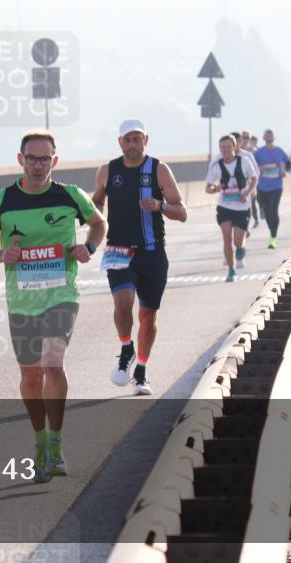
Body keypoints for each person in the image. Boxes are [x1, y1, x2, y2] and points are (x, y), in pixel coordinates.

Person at [0, 130, 107, 483]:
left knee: (52, 363)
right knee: (31, 376)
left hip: (62, 294)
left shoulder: (70, 196)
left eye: (44, 159)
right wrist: (4, 254)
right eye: (31, 158)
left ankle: (58, 443)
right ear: (20, 160)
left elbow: (98, 224)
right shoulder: (2, 200)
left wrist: (89, 249)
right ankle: (40, 442)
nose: (37, 165)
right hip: (22, 300)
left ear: (54, 161)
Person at [91, 119, 188, 396]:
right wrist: (89, 212)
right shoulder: (107, 170)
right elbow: (97, 201)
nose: (132, 144)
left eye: (137, 139)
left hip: (152, 252)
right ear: (120, 142)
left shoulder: (158, 169)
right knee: (123, 302)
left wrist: (160, 205)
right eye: (127, 140)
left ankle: (141, 371)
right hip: (118, 250)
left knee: (147, 315)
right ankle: (126, 347)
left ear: (146, 139)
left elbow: (182, 212)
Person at [205, 134, 258, 282]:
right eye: (223, 147)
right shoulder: (216, 166)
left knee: (237, 241)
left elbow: (254, 178)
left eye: (229, 146)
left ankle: (240, 248)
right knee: (227, 238)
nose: (226, 149)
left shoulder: (244, 161)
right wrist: (215, 188)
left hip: (242, 207)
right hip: (225, 206)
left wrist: (247, 193)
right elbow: (207, 188)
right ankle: (231, 270)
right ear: (220, 149)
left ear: (235, 147)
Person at [253, 129, 291, 249]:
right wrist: (260, 168)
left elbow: (289, 164)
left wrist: (285, 171)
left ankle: (273, 237)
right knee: (267, 211)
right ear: (263, 138)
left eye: (271, 135)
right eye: (267, 135)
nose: (269, 137)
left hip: (276, 186)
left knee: (273, 210)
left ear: (274, 137)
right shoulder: (258, 153)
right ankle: (264, 213)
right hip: (262, 187)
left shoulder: (280, 151)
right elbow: (251, 168)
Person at [241, 130, 260, 229]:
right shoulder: (237, 150)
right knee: (244, 204)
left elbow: (258, 166)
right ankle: (245, 227)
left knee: (252, 203)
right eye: (243, 137)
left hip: (251, 180)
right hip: (240, 182)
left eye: (247, 138)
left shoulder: (253, 151)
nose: (245, 139)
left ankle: (256, 218)